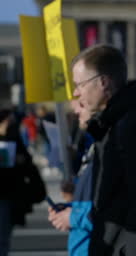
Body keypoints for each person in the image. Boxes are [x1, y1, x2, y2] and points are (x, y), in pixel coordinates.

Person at [72, 44, 136, 255]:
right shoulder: (117, 122)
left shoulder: (134, 124)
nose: (76, 93)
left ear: (102, 82)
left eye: (79, 85)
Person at [48, 102, 95, 256]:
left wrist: (73, 216)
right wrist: (69, 206)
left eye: (82, 104)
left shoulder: (109, 148)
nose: (75, 109)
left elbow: (112, 213)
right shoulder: (93, 146)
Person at [0, 103, 46, 256]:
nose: (9, 123)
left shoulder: (14, 137)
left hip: (7, 197)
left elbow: (27, 164)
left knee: (3, 240)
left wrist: (21, 161)